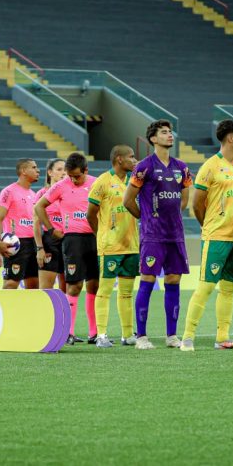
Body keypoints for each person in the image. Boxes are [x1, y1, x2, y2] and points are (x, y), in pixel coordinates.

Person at [123, 120, 193, 350]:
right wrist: (146, 219)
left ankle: (171, 335)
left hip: (175, 235)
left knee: (174, 280)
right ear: (153, 138)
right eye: (164, 132)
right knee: (148, 280)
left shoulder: (181, 167)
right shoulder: (144, 166)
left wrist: (172, 217)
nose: (169, 135)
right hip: (152, 236)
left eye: (170, 132)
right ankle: (141, 336)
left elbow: (184, 198)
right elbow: (127, 200)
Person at [180, 120, 233, 352]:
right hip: (216, 236)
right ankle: (187, 337)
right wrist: (209, 225)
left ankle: (223, 337)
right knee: (206, 287)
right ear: (230, 138)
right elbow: (197, 204)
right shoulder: (210, 166)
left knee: (228, 290)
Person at [35, 152, 99, 345]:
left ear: (86, 170)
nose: (73, 179)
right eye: (70, 176)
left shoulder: (97, 183)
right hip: (72, 240)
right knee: (74, 285)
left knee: (94, 285)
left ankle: (94, 333)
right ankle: (68, 332)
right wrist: (51, 228)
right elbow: (39, 207)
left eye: (77, 176)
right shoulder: (61, 186)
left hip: (95, 238)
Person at [87, 146, 139, 348]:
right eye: (131, 157)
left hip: (131, 245)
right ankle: (101, 335)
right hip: (110, 246)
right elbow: (90, 213)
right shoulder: (102, 182)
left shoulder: (134, 182)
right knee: (105, 290)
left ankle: (127, 334)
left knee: (126, 292)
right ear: (119, 159)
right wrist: (101, 233)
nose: (135, 160)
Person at [0, 158, 40, 290]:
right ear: (23, 171)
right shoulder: (9, 192)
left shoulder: (33, 194)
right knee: (11, 284)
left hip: (33, 243)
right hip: (16, 244)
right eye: (34, 167)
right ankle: (4, 311)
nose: (38, 170)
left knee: (34, 285)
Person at [33, 159, 67, 292]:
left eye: (65, 169)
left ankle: (66, 313)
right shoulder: (42, 194)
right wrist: (39, 248)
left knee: (66, 288)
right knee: (46, 289)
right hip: (49, 242)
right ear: (50, 172)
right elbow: (36, 223)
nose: (63, 173)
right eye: (59, 170)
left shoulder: (69, 193)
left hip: (68, 240)